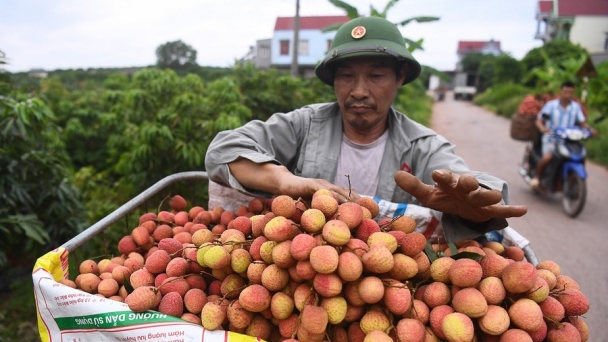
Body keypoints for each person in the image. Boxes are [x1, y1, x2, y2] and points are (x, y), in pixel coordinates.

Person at [204, 16, 526, 234]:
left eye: (376, 75)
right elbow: (223, 151)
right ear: (334, 81)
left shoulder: (423, 145)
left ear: (399, 78)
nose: (358, 90)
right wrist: (287, 182)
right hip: (307, 262)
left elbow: (469, 184)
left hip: (387, 274)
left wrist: (474, 206)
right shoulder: (304, 125)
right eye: (346, 76)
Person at [530, 81, 595, 189]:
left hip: (569, 141)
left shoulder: (575, 107)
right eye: (565, 92)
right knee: (547, 157)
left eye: (570, 92)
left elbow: (582, 122)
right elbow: (539, 120)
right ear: (561, 91)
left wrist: (590, 129)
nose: (568, 94)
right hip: (551, 138)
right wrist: (542, 128)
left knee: (580, 157)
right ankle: (537, 178)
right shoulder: (551, 105)